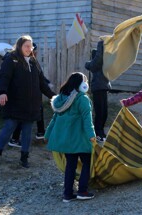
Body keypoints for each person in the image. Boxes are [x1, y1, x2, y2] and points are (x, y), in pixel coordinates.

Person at [0, 35, 55, 168]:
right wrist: (2, 92)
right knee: (9, 128)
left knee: (27, 131)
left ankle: (24, 158)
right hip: (15, 103)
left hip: (31, 104)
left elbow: (42, 83)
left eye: (30, 46)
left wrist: (53, 96)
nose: (29, 48)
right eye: (26, 45)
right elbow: (4, 77)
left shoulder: (33, 62)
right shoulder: (11, 59)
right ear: (20, 46)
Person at [44, 72, 96, 202]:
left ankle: (67, 194)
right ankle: (82, 191)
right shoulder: (82, 99)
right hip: (81, 139)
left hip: (67, 140)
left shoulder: (61, 99)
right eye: (85, 81)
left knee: (70, 165)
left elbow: (54, 118)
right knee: (87, 162)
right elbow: (87, 119)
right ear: (81, 84)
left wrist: (47, 133)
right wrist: (92, 135)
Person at [8, 43, 54, 148]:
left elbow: (39, 77)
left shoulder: (33, 62)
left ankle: (40, 132)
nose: (36, 53)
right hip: (23, 97)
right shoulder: (21, 62)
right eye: (34, 51)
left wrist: (47, 83)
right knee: (22, 117)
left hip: (31, 96)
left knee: (38, 110)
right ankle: (15, 139)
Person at [85, 40, 111, 142]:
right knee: (100, 112)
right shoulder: (94, 64)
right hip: (98, 89)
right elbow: (99, 57)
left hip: (103, 88)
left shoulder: (102, 63)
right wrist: (101, 43)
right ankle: (98, 133)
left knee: (104, 113)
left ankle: (101, 132)